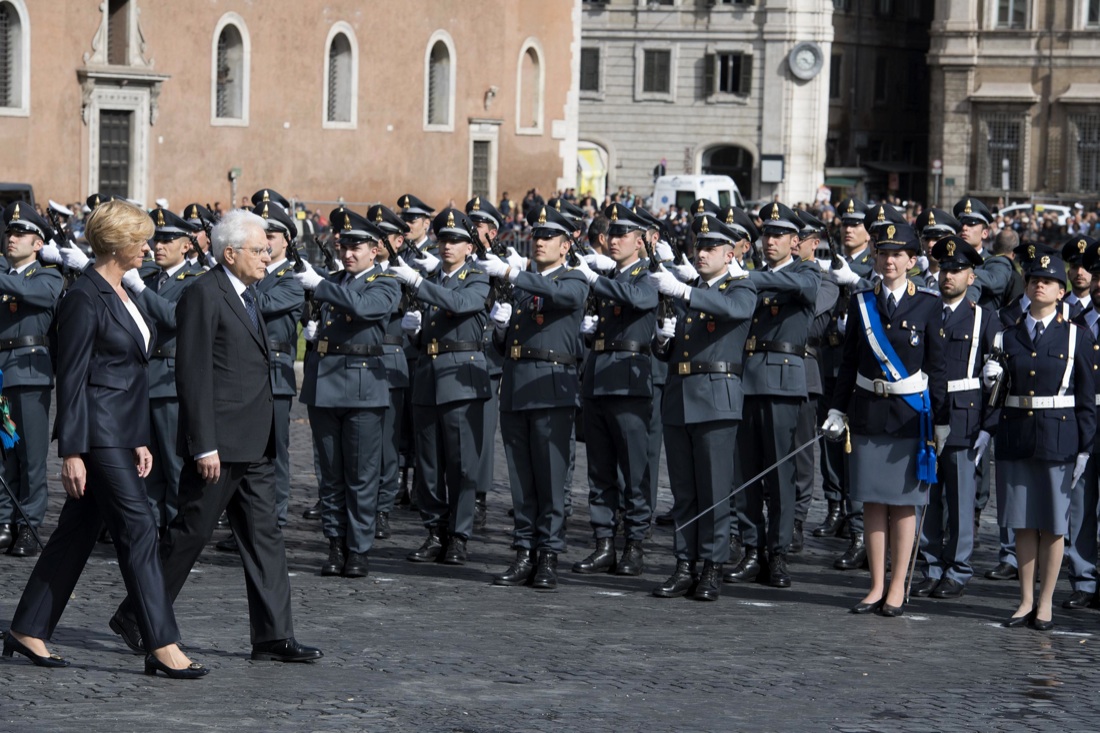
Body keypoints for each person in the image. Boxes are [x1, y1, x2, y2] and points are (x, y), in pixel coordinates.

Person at [110, 209, 322, 663]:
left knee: (265, 537)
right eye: (260, 249)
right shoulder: (205, 293)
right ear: (231, 252)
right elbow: (194, 372)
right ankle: (136, 613)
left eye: (268, 248)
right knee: (189, 534)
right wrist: (203, 443)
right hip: (220, 446)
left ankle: (272, 635)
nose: (268, 256)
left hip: (256, 442)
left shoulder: (248, 294)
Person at [4, 199, 205, 678]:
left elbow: (128, 374)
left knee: (75, 534)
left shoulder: (123, 292)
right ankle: (162, 642)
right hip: (96, 436)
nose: (149, 248)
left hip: (120, 432)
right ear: (117, 244)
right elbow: (71, 378)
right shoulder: (83, 297)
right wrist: (71, 450)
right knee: (138, 527)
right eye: (141, 240)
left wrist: (139, 437)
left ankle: (28, 628)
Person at [823, 223, 948, 616]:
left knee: (904, 504)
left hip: (910, 418)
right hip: (868, 413)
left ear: (913, 261)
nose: (889, 261)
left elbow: (938, 369)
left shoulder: (928, 305)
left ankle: (897, 587)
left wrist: (941, 421)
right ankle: (875, 585)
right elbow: (847, 364)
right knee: (872, 503)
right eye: (882, 254)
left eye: (897, 255)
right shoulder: (862, 302)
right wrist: (836, 409)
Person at [981, 254, 1095, 630]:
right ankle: (1026, 599)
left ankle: (1046, 601)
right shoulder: (1007, 334)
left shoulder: (1077, 335)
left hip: (1058, 438)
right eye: (1033, 280)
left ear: (1062, 291)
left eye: (1047, 280)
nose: (1038, 285)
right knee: (1022, 522)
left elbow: (1085, 397)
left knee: (1053, 523)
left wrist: (1084, 447)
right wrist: (991, 382)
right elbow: (999, 395)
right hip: (1017, 436)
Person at [479, 205, 589, 591]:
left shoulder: (573, 278)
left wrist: (514, 274)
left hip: (552, 389)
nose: (540, 242)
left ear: (566, 244)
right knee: (521, 481)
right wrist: (500, 327)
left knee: (551, 478)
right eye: (537, 236)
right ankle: (524, 548)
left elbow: (563, 297)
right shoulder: (525, 285)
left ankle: (548, 554)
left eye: (549, 237)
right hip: (517, 386)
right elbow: (507, 344)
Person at [648, 211, 756, 601]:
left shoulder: (739, 287)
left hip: (716, 399)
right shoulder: (690, 289)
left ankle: (712, 566)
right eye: (700, 246)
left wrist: (682, 292)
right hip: (680, 396)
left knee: (714, 491)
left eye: (712, 247)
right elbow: (675, 349)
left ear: (730, 254)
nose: (703, 253)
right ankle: (684, 564)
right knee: (684, 492)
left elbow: (735, 311)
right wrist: (662, 340)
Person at [296, 208, 401, 578]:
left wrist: (320, 285)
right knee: (330, 474)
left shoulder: (385, 283)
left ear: (375, 250)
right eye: (344, 246)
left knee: (360, 473)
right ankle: (335, 542)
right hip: (325, 385)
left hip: (362, 387)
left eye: (357, 246)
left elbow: (364, 308)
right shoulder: (334, 279)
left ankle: (358, 547)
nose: (348, 253)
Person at [727, 202, 820, 588]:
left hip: (783, 381)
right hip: (748, 378)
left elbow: (802, 288)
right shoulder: (756, 276)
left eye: (779, 235)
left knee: (781, 473)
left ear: (796, 242)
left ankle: (778, 552)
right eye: (766, 234)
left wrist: (746, 279)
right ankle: (752, 548)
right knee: (746, 472)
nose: (770, 241)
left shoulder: (807, 272)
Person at [392, 209, 490, 565]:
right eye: (443, 239)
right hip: (429, 378)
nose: (447, 246)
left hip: (461, 379)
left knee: (462, 465)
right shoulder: (434, 278)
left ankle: (459, 535)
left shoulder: (476, 278)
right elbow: (427, 334)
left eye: (456, 240)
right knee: (429, 465)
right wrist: (414, 331)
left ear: (469, 246)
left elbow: (461, 304)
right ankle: (435, 531)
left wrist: (418, 285)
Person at [570, 204, 657, 576]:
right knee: (600, 471)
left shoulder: (648, 275)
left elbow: (638, 299)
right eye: (613, 234)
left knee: (635, 469)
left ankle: (634, 543)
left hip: (629, 380)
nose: (615, 240)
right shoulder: (611, 276)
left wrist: (592, 280)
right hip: (599, 377)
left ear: (640, 241)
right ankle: (603, 540)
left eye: (623, 235)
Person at [911, 236, 996, 600]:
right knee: (926, 494)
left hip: (964, 417)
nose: (949, 276)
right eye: (944, 269)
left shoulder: (984, 318)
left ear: (971, 277)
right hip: (926, 413)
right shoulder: (926, 311)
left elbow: (997, 377)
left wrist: (988, 427)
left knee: (961, 499)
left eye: (957, 270)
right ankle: (930, 565)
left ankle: (958, 569)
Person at [120, 207, 205, 532]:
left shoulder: (195, 280)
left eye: (169, 240)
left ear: (186, 245)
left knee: (172, 465)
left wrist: (139, 290)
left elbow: (175, 317)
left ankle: (175, 531)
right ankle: (150, 529)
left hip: (170, 381)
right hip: (143, 379)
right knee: (145, 464)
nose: (159, 246)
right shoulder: (150, 278)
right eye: (158, 239)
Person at [0, 203, 65, 556]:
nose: (11, 238)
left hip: (29, 372)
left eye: (20, 233)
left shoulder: (48, 276)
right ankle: (4, 521)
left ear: (38, 244)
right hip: (2, 374)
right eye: (9, 232)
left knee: (32, 455)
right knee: (5, 453)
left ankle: (29, 523)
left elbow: (36, 296)